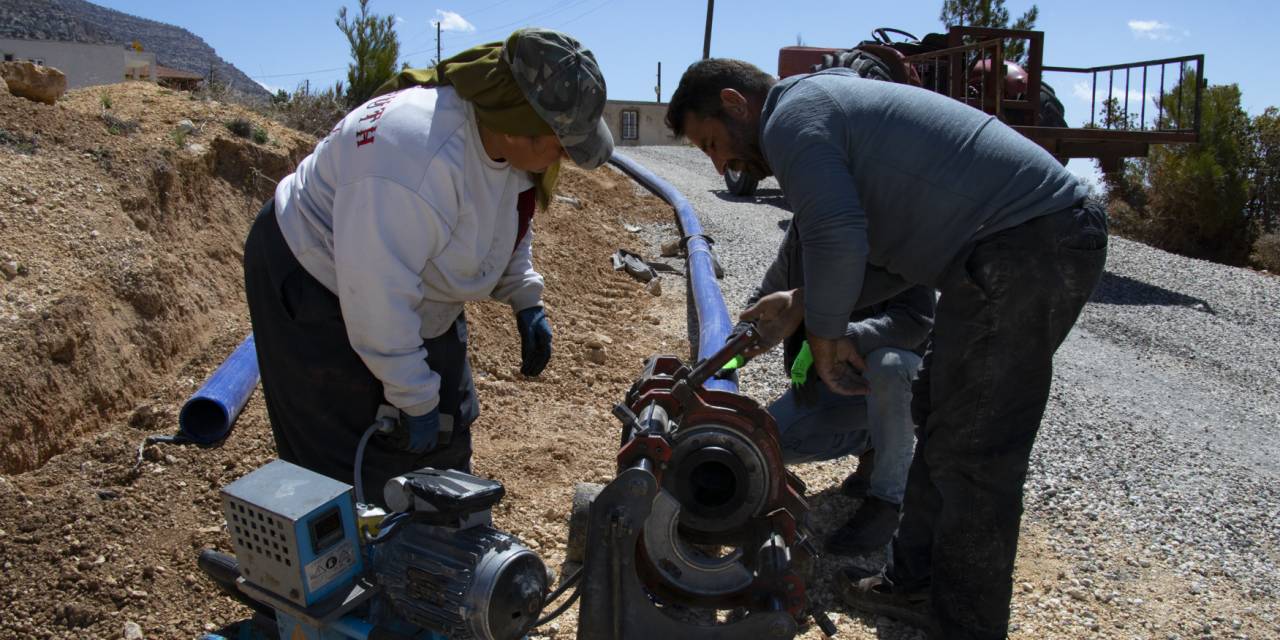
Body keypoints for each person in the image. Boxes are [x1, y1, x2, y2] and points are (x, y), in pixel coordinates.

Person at [667, 59, 1107, 639]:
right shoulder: (819, 110)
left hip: (1032, 242)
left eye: (713, 143)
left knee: (976, 453)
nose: (722, 163)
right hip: (1001, 250)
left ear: (736, 102)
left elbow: (837, 232)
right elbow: (881, 255)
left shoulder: (793, 119)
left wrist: (824, 334)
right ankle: (918, 583)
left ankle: (966, 627)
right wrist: (800, 303)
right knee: (942, 422)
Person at [242, 28, 613, 499]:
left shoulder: (510, 145)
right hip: (320, 277)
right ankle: (356, 563)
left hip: (402, 282)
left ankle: (442, 547)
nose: (563, 157)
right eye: (560, 143)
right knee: (356, 461)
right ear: (515, 123)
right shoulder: (414, 157)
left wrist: (525, 297)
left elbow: (507, 217)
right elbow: (375, 299)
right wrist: (412, 399)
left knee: (448, 427)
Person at [740, 222, 935, 553]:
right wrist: (739, 337)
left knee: (890, 365)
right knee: (762, 448)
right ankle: (874, 447)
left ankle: (889, 500)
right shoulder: (804, 230)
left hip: (887, 387)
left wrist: (849, 337)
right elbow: (767, 294)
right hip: (833, 387)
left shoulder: (896, 225)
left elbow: (917, 319)